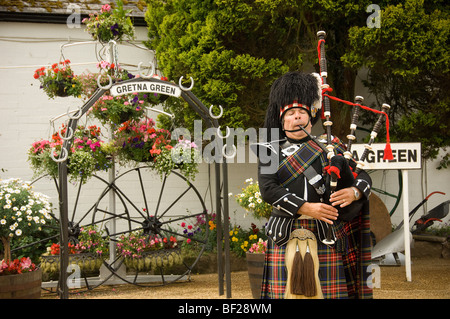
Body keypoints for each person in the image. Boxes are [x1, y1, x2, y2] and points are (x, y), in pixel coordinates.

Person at [255, 71, 373, 299]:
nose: (297, 117)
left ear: (311, 119)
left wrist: (354, 191)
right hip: (285, 234)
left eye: (302, 112)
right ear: (282, 120)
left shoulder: (331, 147)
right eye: (291, 113)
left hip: (327, 234)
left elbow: (364, 177)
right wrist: (306, 208)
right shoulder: (269, 150)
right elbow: (268, 189)